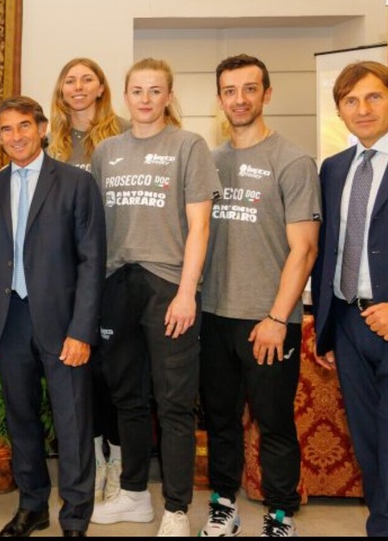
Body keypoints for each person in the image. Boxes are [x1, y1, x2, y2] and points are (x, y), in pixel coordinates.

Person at [89, 58, 221, 536]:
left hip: (169, 286)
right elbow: (96, 228)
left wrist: (187, 292)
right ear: (125, 96)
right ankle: (134, 494)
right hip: (117, 284)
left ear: (168, 96)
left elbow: (200, 226)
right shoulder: (107, 151)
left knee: (174, 403)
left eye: (154, 90)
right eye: (137, 90)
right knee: (127, 397)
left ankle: (177, 509)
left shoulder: (189, 146)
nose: (145, 99)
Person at [312, 61, 388, 536]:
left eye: (373, 96)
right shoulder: (334, 168)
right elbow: (329, 250)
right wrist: (327, 328)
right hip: (349, 328)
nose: (361, 109)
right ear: (340, 111)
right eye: (350, 100)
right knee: (372, 456)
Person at [197, 55, 320, 538]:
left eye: (250, 89)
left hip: (268, 319)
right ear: (220, 98)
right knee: (221, 420)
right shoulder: (210, 162)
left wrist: (276, 318)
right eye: (230, 90)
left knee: (274, 422)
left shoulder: (291, 160)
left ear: (267, 93)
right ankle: (223, 506)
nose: (240, 99)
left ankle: (281, 514)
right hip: (213, 315)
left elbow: (304, 249)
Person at [0, 96, 105, 537]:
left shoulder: (75, 183)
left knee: (72, 422)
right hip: (9, 320)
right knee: (21, 420)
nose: (16, 136)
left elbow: (92, 261)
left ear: (43, 128)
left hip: (64, 324)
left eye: (24, 126)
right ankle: (32, 506)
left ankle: (75, 516)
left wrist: (82, 330)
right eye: (6, 129)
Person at [47, 57, 129, 502]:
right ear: (61, 91)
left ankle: (118, 461)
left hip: (113, 271)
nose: (78, 87)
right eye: (70, 81)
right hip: (67, 278)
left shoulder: (123, 136)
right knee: (80, 376)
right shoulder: (52, 145)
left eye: (87, 80)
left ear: (101, 88)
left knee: (114, 374)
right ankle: (93, 460)